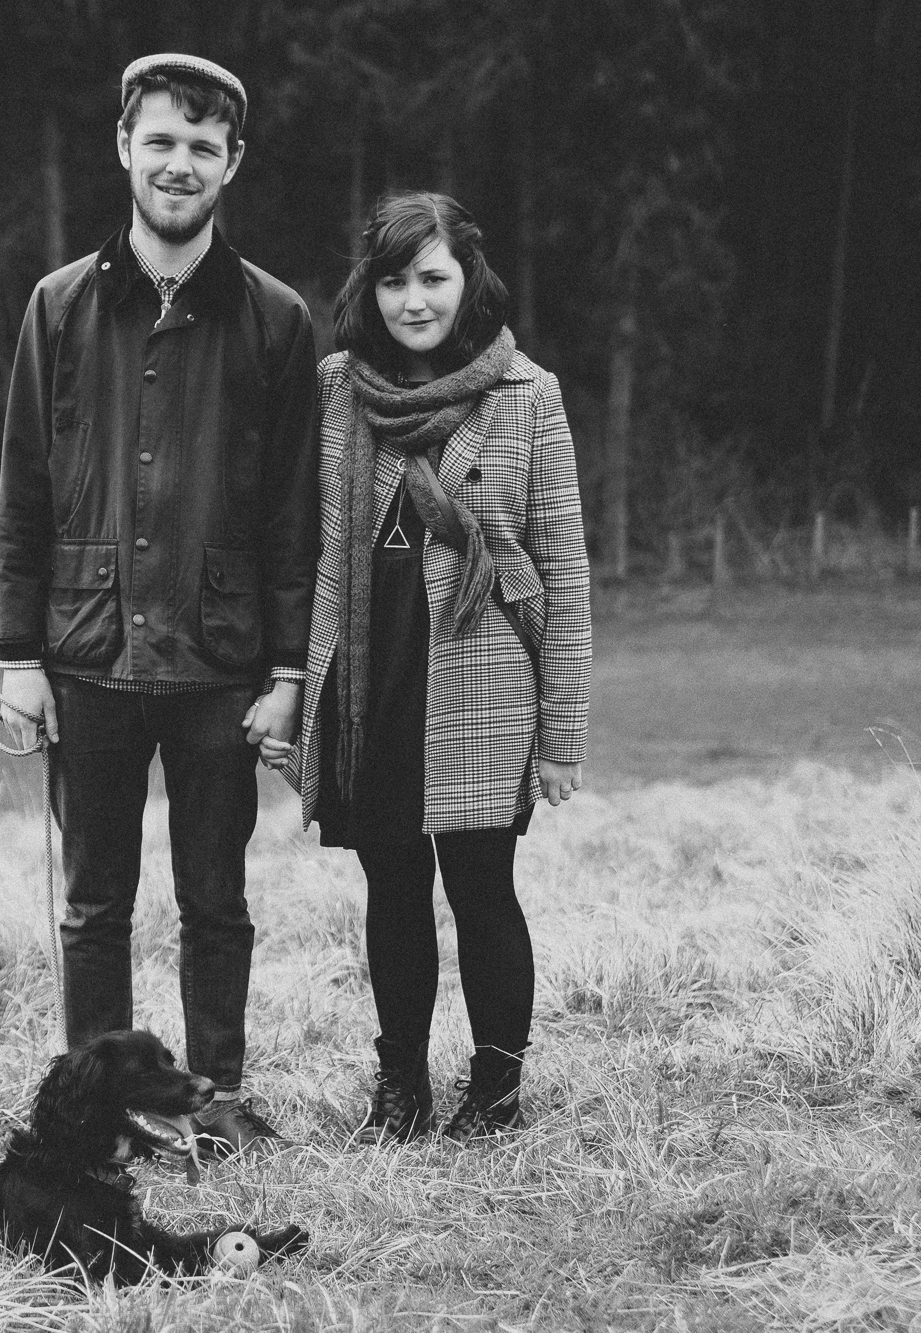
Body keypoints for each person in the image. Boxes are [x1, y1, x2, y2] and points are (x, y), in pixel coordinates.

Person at [0, 53, 318, 1161]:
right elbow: (23, 489)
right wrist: (15, 654)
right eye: (161, 141)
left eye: (202, 146)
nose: (179, 163)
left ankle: (211, 1092)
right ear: (123, 149)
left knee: (215, 900)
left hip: (221, 661)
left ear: (232, 165)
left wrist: (287, 675)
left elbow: (290, 514)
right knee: (93, 904)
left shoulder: (275, 319)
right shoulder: (59, 306)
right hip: (83, 654)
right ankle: (98, 1112)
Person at [263, 192, 590, 1142]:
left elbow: (563, 568)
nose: (415, 299)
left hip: (483, 678)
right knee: (391, 886)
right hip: (371, 675)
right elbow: (309, 539)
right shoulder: (336, 388)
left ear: (468, 280)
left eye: (434, 277)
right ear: (374, 286)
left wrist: (562, 734)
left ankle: (495, 1088)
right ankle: (401, 1083)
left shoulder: (527, 394)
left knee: (483, 888)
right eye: (396, 279)